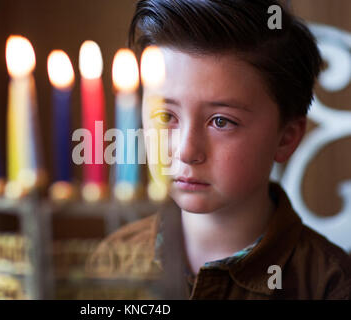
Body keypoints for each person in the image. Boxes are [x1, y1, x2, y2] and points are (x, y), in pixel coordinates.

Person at [86, 0, 351, 299]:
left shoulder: (329, 285)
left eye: (221, 121)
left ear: (286, 137)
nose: (186, 151)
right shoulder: (114, 261)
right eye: (165, 116)